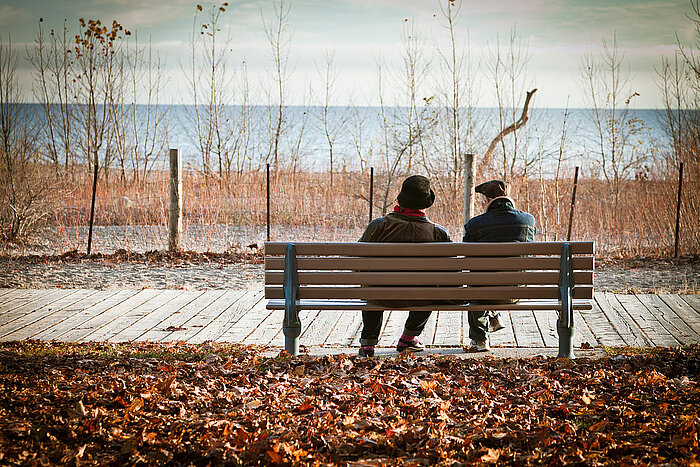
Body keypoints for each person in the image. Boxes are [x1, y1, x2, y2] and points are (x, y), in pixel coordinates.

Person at [357, 175, 451, 357]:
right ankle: (408, 338)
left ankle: (368, 344)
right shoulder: (438, 233)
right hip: (420, 298)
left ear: (400, 200)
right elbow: (451, 272)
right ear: (425, 205)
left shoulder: (378, 226)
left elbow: (357, 260)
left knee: (371, 283)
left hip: (380, 294)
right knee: (432, 289)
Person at [463, 179, 536, 352]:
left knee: (478, 282)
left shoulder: (474, 224)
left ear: (487, 201)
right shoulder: (528, 220)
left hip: (483, 293)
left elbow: (467, 258)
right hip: (515, 291)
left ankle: (480, 340)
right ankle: (494, 315)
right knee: (495, 279)